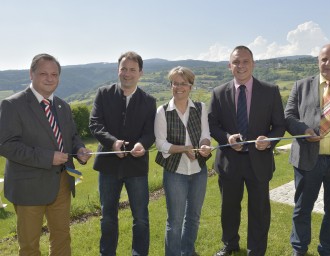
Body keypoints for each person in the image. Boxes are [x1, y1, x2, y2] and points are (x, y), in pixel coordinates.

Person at [0, 53, 92, 255]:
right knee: (30, 245)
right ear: (31, 74)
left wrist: (79, 150)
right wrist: (48, 157)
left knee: (61, 238)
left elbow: (73, 136)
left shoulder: (62, 106)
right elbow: (6, 145)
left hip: (61, 183)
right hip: (28, 186)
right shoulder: (12, 105)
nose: (50, 78)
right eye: (43, 73)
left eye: (54, 74)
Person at [208, 45, 286, 256]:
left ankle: (256, 250)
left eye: (245, 61)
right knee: (229, 208)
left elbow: (279, 125)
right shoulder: (218, 93)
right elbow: (212, 124)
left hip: (258, 160)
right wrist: (226, 138)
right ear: (229, 66)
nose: (240, 66)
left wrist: (269, 140)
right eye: (236, 62)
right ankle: (230, 244)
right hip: (229, 162)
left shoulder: (270, 91)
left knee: (259, 210)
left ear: (253, 64)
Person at [285, 43, 330, 256]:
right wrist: (304, 130)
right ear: (318, 61)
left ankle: (327, 251)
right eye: (324, 59)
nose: (328, 63)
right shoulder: (301, 86)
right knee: (302, 209)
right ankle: (299, 250)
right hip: (308, 161)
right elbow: (288, 116)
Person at [89, 51, 156, 256]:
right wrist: (112, 143)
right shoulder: (104, 93)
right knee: (108, 217)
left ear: (140, 73)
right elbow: (95, 124)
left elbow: (150, 132)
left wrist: (142, 145)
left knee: (141, 218)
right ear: (118, 70)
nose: (127, 73)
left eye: (132, 70)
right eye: (124, 69)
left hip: (136, 166)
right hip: (108, 165)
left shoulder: (149, 101)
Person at [154, 66, 212, 256]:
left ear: (190, 86)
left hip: (198, 172)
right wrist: (185, 149)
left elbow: (205, 135)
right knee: (175, 221)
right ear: (171, 85)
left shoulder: (200, 108)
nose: (179, 87)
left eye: (183, 83)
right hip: (175, 173)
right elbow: (161, 143)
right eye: (175, 83)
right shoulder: (162, 111)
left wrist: (204, 145)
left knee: (194, 217)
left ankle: (188, 252)